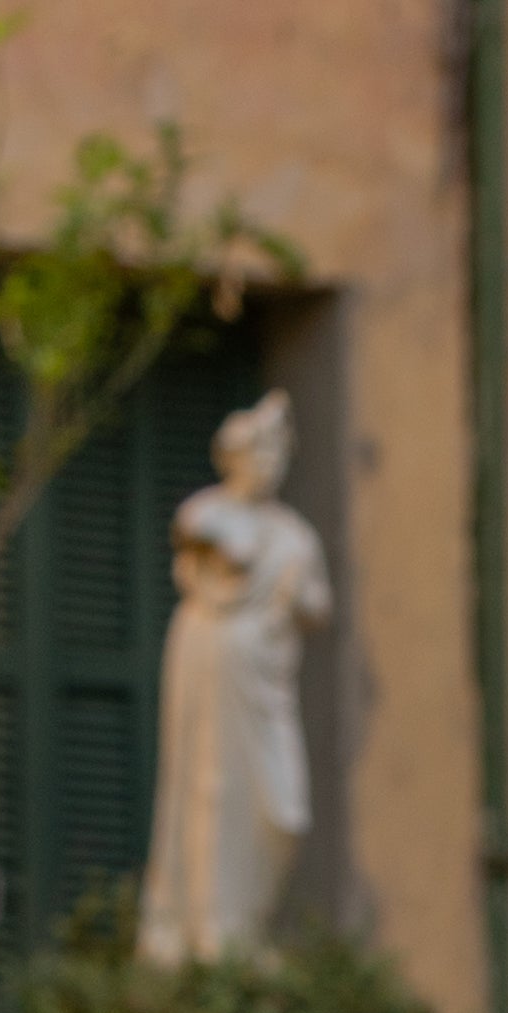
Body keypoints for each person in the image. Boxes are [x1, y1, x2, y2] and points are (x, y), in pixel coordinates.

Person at [136, 395, 328, 965]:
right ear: (234, 457)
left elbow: (319, 605)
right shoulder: (211, 512)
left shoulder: (295, 536)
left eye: (277, 453)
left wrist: (300, 598)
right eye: (258, 451)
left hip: (267, 682)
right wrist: (234, 545)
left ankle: (248, 928)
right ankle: (211, 932)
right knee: (208, 789)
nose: (269, 464)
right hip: (211, 666)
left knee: (283, 811)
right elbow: (199, 528)